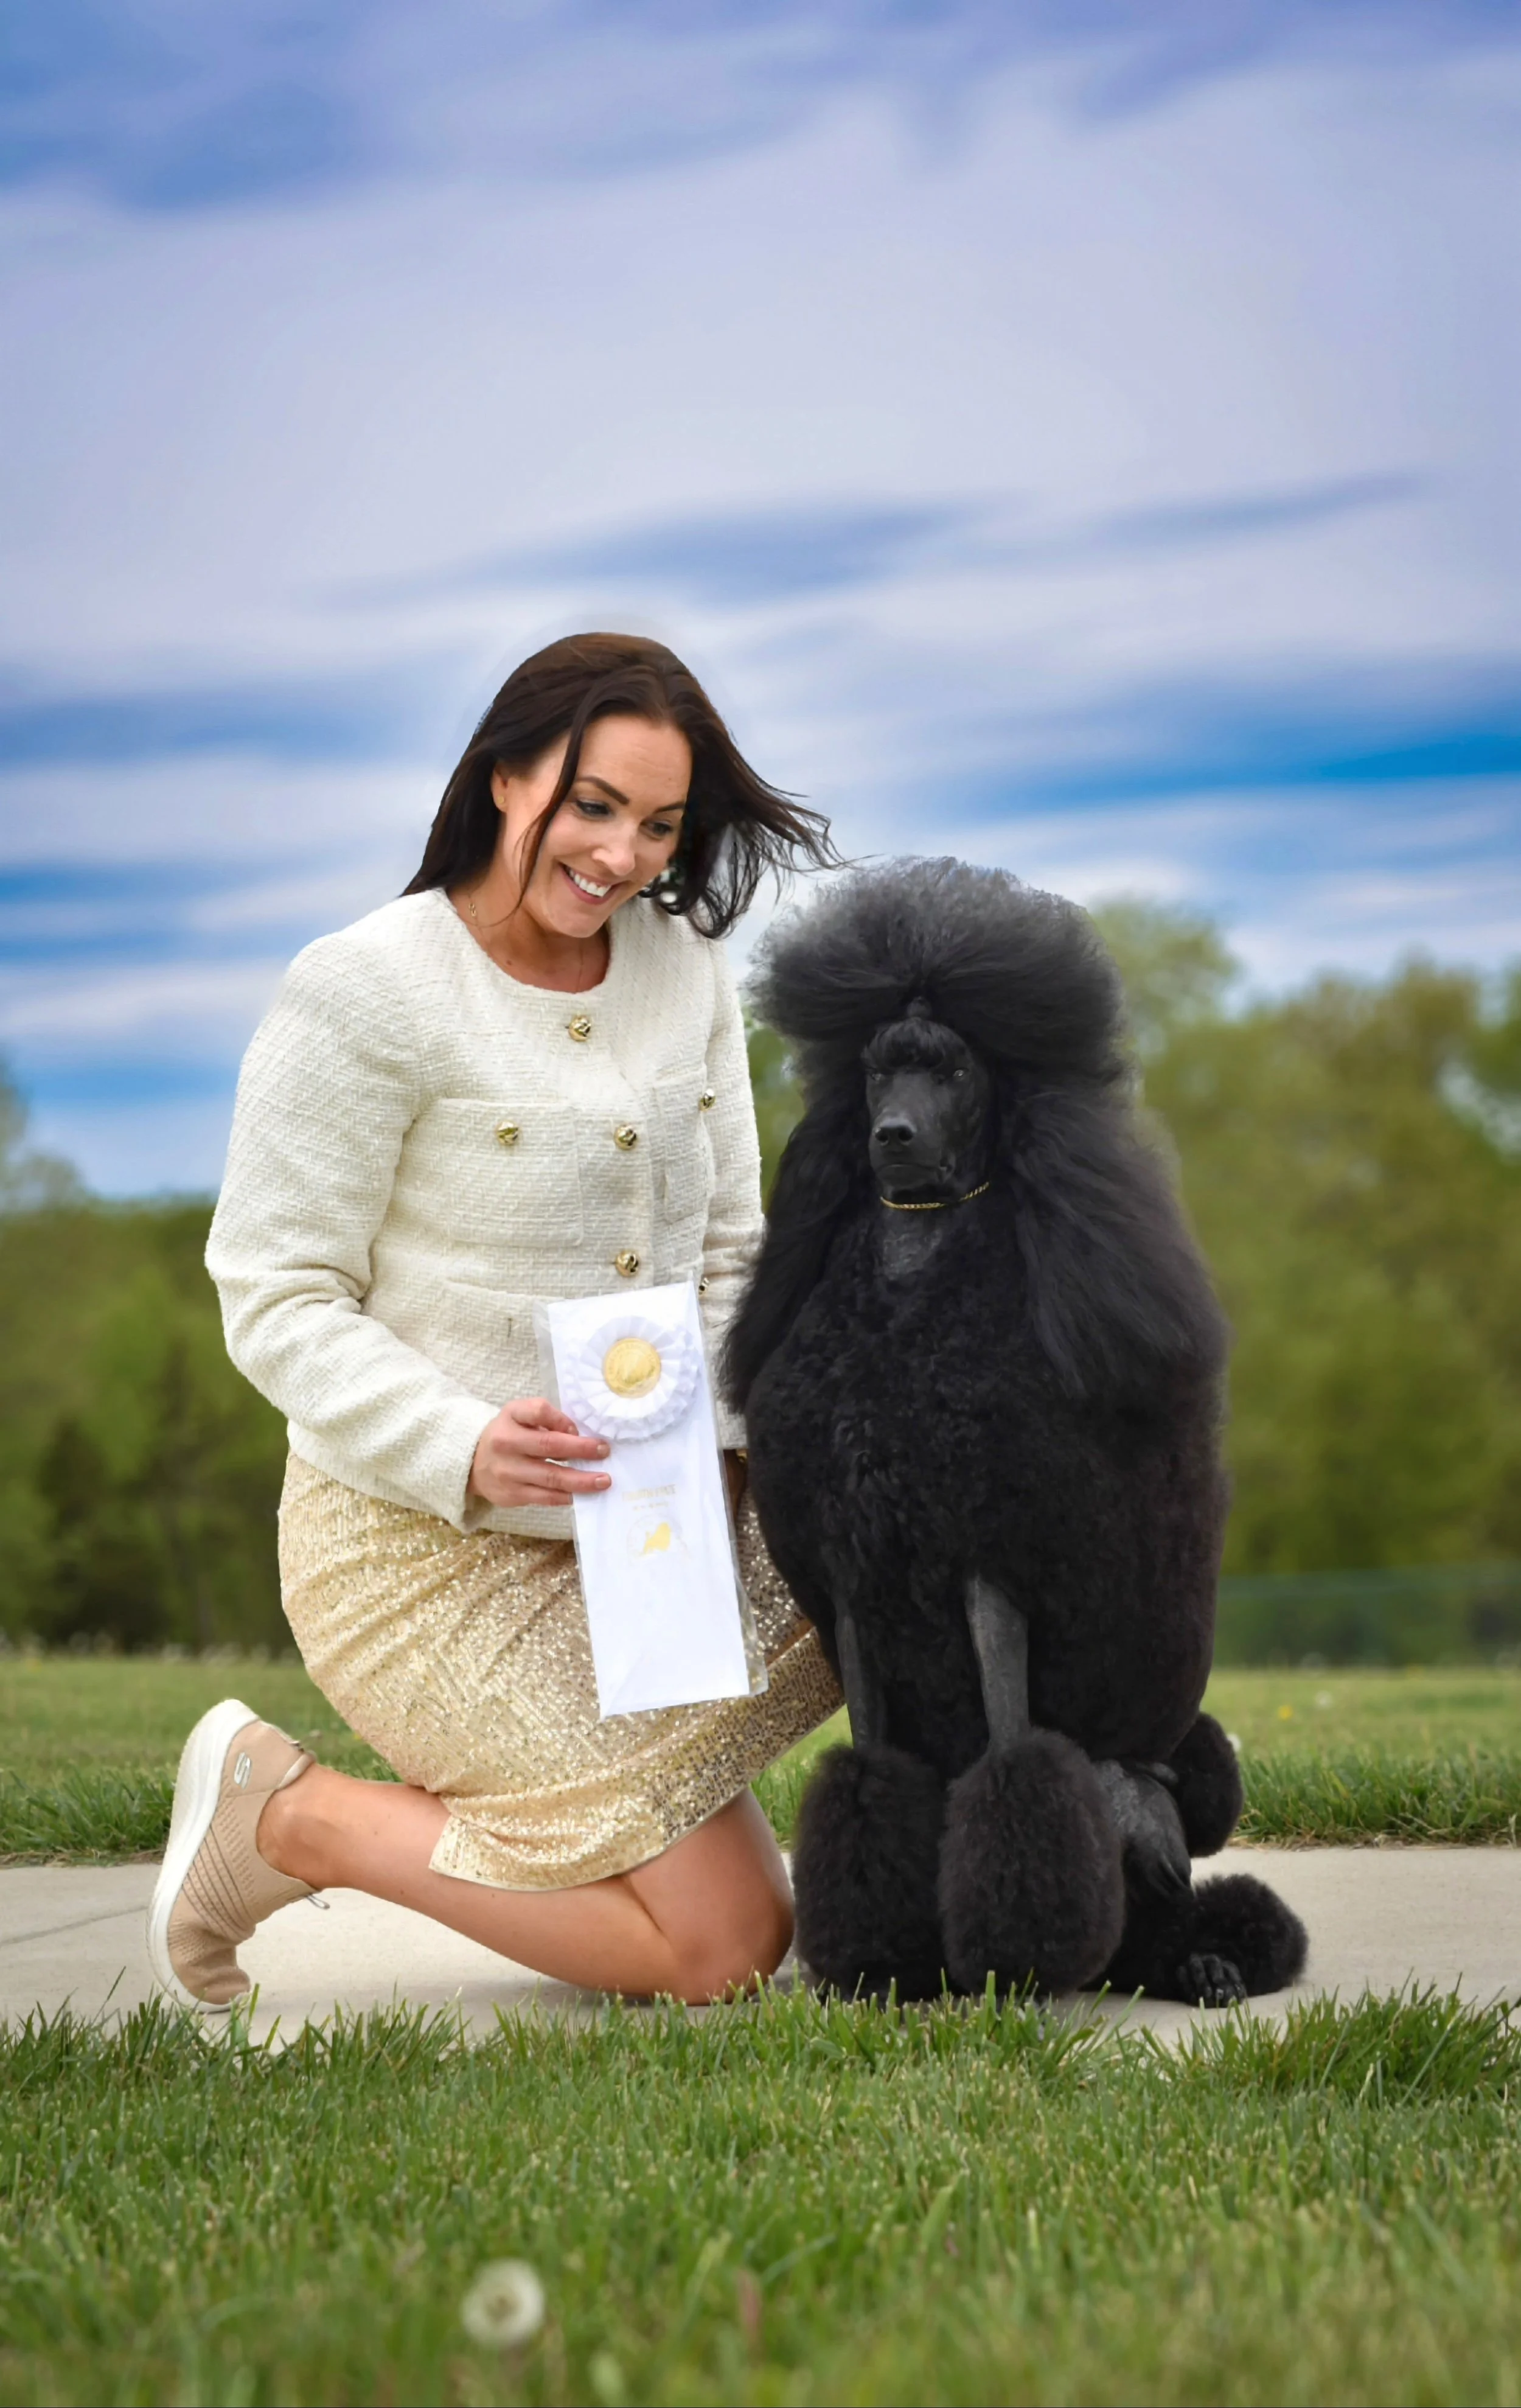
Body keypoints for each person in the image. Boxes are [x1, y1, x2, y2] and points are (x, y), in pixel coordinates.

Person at [147, 632, 841, 2010]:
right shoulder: (362, 987)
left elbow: (726, 1251)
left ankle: (1052, 1873)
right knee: (723, 1955)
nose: (624, 854)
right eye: (593, 805)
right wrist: (462, 1443)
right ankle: (282, 1812)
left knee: (904, 1552)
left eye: (659, 823)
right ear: (506, 776)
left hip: (644, 1519)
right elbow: (275, 1294)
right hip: (417, 1553)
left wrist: (720, 1450)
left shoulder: (684, 969)